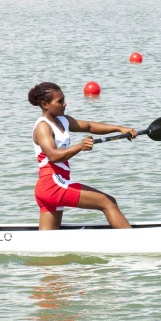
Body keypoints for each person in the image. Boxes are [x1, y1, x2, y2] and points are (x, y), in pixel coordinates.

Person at [28, 82, 138, 230]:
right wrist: (79, 146)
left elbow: (90, 126)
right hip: (53, 184)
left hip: (51, 185)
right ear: (45, 104)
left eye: (63, 99)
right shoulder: (43, 127)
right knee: (108, 202)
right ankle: (132, 243)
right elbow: (53, 155)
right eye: (59, 101)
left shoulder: (63, 121)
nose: (65, 103)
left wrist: (119, 128)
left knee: (47, 244)